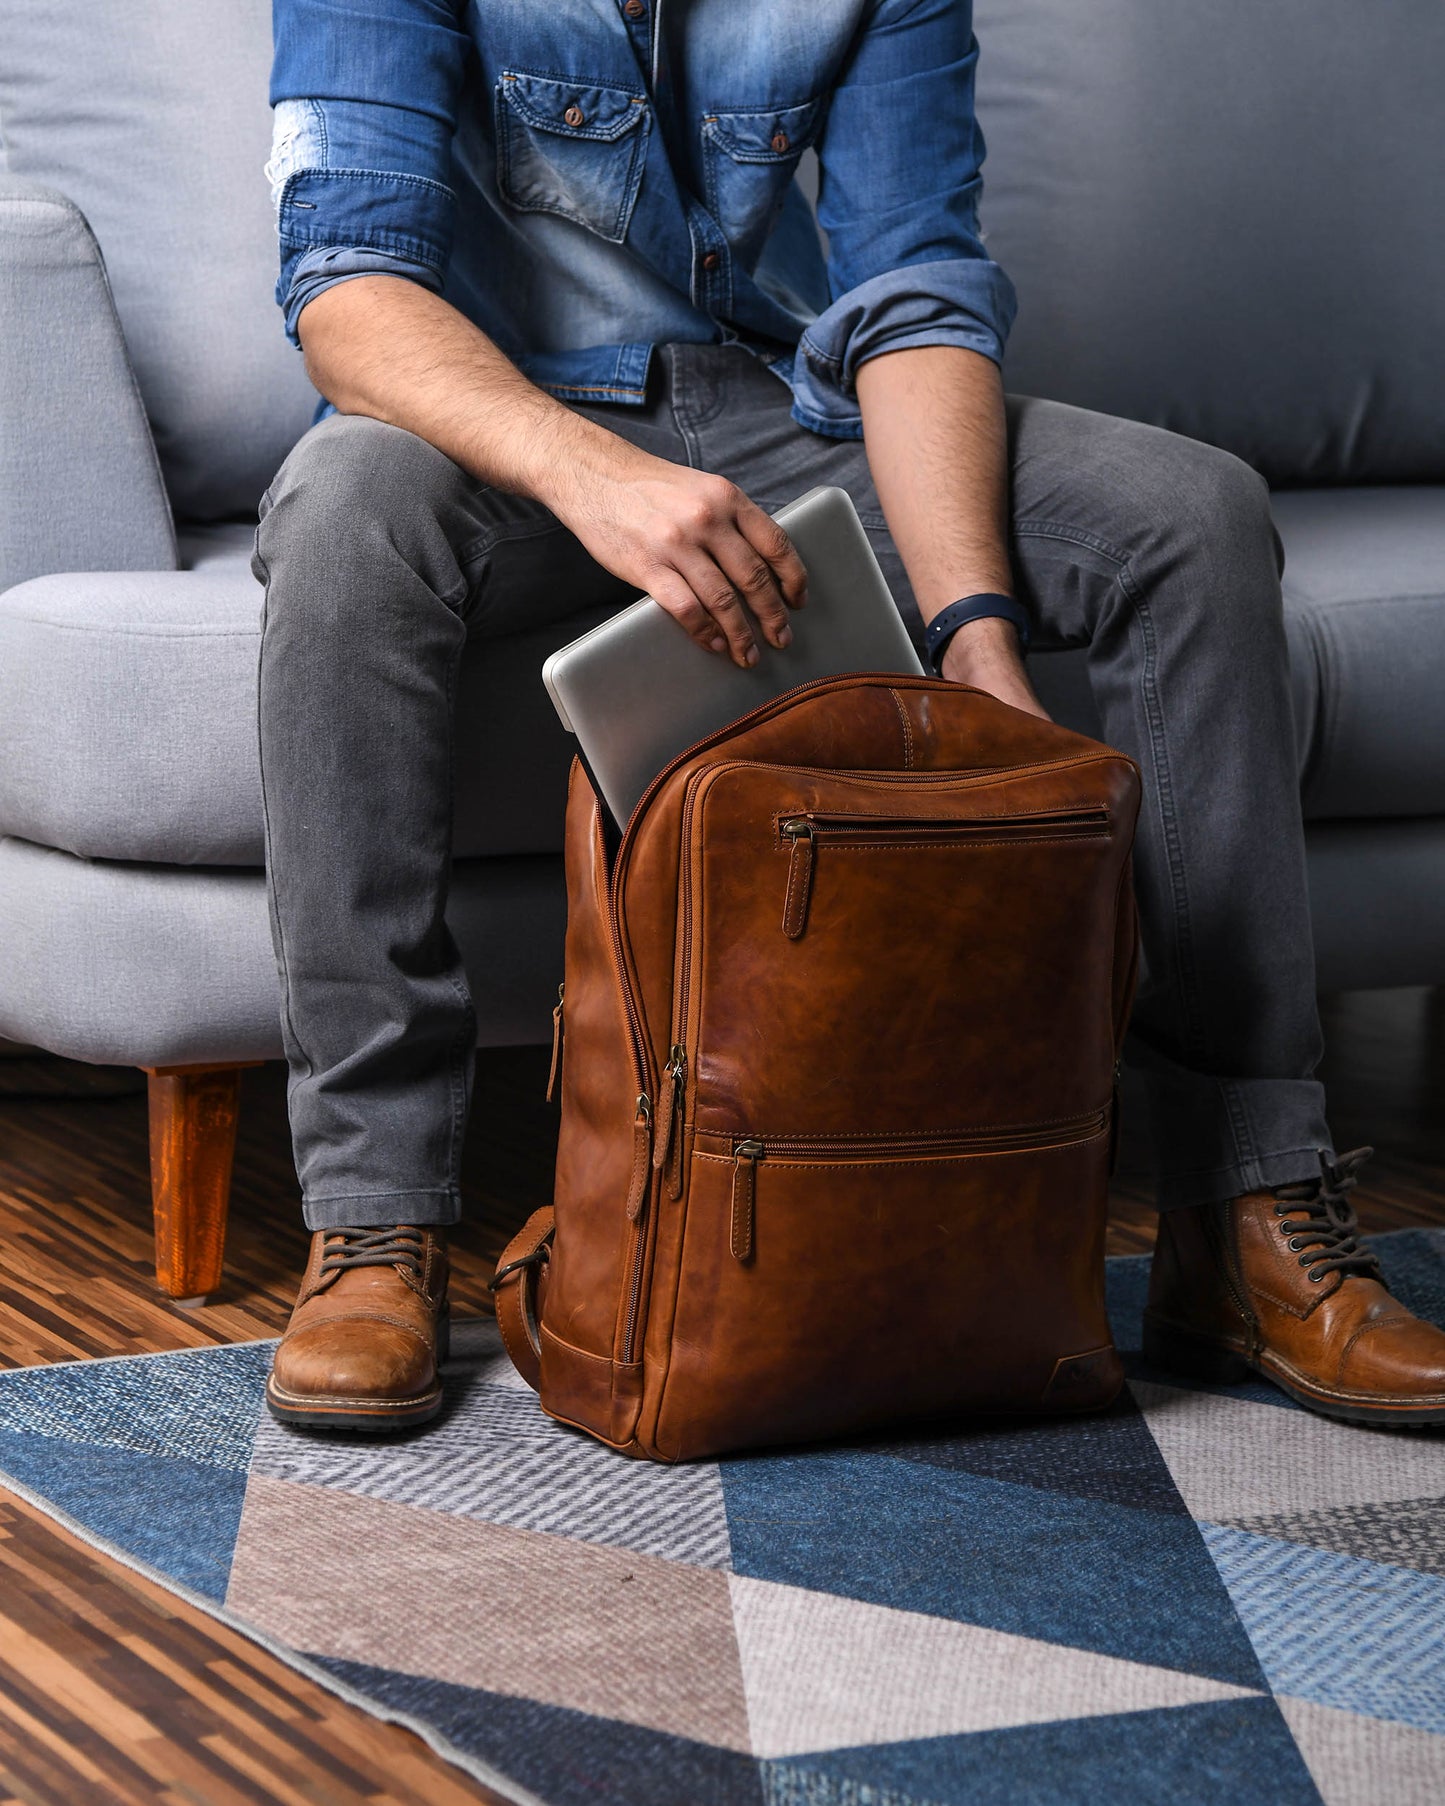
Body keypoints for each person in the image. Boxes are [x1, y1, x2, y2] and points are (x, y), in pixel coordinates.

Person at [255, 0, 1445, 1433]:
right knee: (339, 521)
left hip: (774, 407)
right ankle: (372, 1221)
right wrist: (598, 478)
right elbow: (346, 290)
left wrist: (974, 634)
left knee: (1184, 518)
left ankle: (1241, 1211)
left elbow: (915, 288)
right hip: (486, 428)